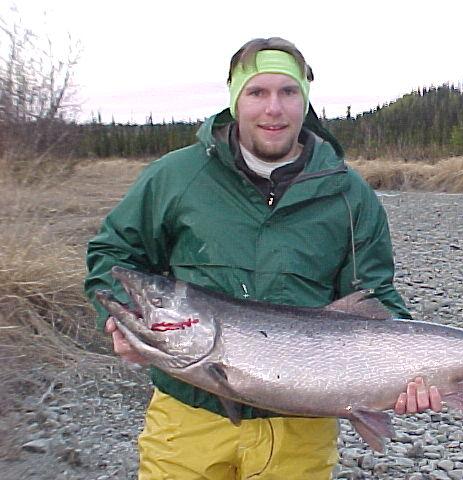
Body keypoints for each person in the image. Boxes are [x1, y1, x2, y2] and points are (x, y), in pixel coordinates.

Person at [85, 37, 442, 480]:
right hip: (187, 417)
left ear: (304, 101)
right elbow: (113, 255)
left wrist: (408, 376)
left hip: (300, 432)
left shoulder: (350, 195)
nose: (273, 108)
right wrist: (121, 323)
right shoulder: (174, 177)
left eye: (288, 92)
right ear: (236, 99)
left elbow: (374, 296)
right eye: (257, 92)